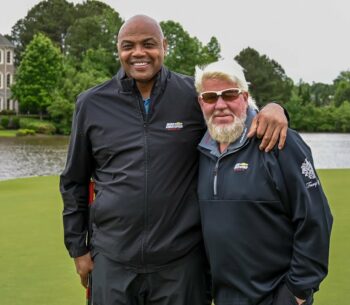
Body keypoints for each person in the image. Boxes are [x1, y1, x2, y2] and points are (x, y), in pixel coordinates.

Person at [60, 15, 289, 305]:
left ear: (164, 47)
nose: (139, 53)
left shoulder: (190, 95)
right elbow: (73, 182)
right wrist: (78, 249)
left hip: (181, 264)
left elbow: (235, 109)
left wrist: (276, 107)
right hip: (113, 260)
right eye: (128, 46)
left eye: (149, 44)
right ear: (117, 49)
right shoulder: (91, 103)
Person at [195, 59, 333, 305]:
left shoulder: (282, 142)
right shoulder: (201, 151)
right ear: (200, 102)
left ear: (245, 97)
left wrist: (296, 294)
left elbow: (316, 220)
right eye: (210, 97)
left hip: (277, 298)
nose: (220, 105)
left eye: (229, 94)